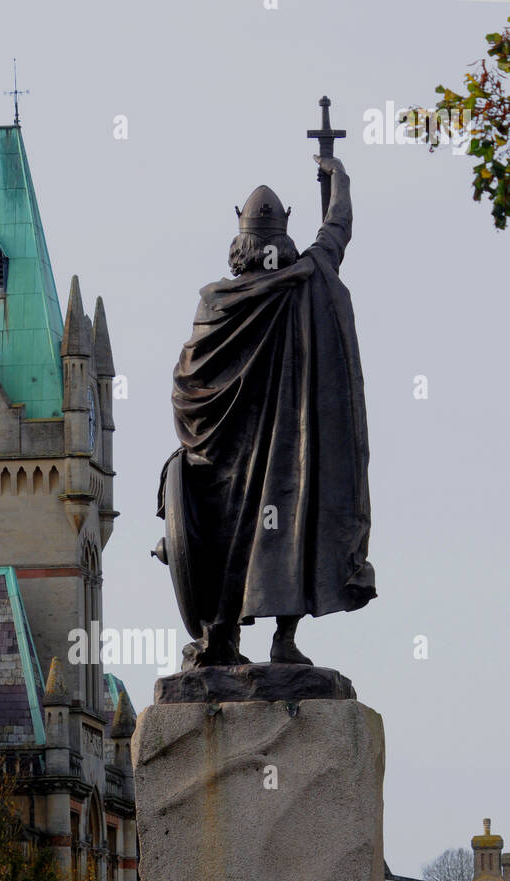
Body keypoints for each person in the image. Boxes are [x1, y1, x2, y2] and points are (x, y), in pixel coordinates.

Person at [158, 154, 375, 669]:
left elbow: (187, 382)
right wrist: (339, 180)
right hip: (284, 453)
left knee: (230, 537)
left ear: (240, 249)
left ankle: (222, 635)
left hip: (223, 461)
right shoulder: (305, 277)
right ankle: (281, 639)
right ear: (282, 243)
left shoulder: (216, 302)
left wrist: (204, 435)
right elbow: (336, 233)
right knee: (287, 530)